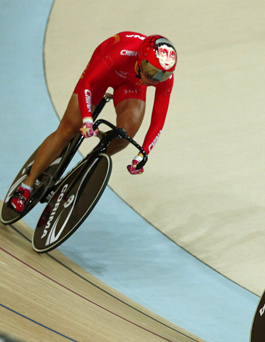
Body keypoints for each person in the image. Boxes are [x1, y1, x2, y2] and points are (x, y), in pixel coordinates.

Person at [9, 32, 177, 213]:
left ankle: (81, 172)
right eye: (152, 72)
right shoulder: (123, 52)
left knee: (124, 137)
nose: (155, 80)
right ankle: (26, 186)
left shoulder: (162, 76)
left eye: (162, 76)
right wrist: (88, 118)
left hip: (132, 83)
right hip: (105, 71)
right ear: (140, 59)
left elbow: (158, 120)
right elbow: (88, 82)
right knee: (68, 129)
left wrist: (143, 153)